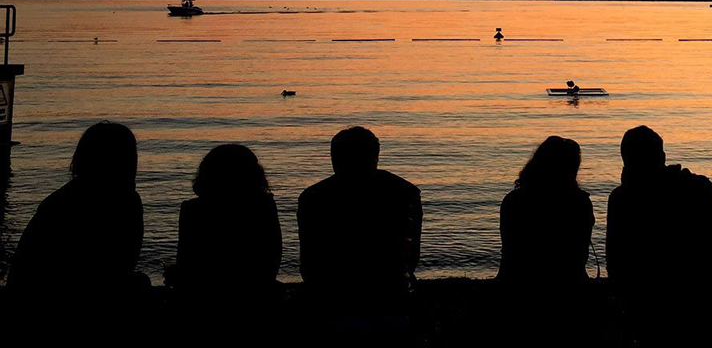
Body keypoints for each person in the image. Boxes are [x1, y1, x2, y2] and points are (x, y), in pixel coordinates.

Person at [606, 125, 712, 343]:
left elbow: (618, 269)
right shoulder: (700, 188)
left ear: (625, 161)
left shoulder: (622, 200)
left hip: (650, 319)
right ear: (662, 156)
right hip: (709, 313)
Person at [7, 122, 147, 333]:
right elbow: (119, 268)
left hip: (29, 304)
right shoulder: (124, 202)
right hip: (58, 308)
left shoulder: (59, 201)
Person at [298, 126, 422, 327]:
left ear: (335, 159)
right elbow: (412, 254)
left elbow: (309, 261)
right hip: (392, 293)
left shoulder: (312, 197)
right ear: (375, 157)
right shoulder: (406, 192)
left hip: (332, 297)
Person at [169, 144, 282, 299]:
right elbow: (271, 261)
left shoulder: (193, 209)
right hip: (256, 292)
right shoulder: (264, 206)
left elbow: (187, 261)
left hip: (204, 292)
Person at [498, 136, 594, 286]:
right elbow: (579, 254)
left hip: (515, 280)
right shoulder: (579, 203)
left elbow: (510, 251)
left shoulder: (513, 200)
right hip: (569, 281)